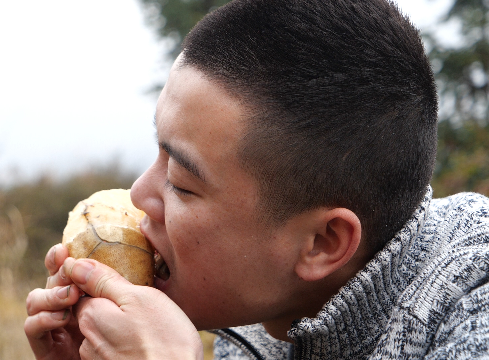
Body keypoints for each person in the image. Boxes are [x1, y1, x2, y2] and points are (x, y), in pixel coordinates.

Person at [24, 0, 489, 358]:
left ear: (323, 242)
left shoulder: (474, 313)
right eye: (158, 153)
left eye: (183, 184)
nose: (139, 195)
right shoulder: (254, 318)